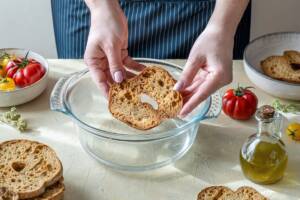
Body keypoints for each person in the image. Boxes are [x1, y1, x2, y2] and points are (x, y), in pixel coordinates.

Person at [51, 0, 251, 117]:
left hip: (211, 9)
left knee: (192, 99)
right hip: (90, 8)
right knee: (90, 105)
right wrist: (101, 7)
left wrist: (221, 27)